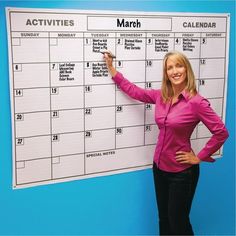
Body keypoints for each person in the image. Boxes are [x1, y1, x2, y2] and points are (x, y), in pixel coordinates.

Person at [103, 50, 229, 235]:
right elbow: (135, 92)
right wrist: (111, 68)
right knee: (164, 219)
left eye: (179, 65)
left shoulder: (197, 102)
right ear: (166, 73)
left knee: (178, 222)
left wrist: (199, 157)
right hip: (159, 167)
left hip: (182, 173)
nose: (174, 71)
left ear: (187, 70)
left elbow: (221, 132)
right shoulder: (161, 96)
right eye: (169, 67)